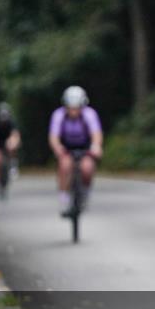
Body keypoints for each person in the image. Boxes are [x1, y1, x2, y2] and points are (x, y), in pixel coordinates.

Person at [48, 86, 103, 216]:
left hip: (85, 147)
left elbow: (96, 133)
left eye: (77, 107)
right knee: (65, 165)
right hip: (66, 148)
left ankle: (85, 193)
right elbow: (53, 136)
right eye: (70, 107)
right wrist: (57, 148)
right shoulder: (58, 115)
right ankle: (64, 198)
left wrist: (96, 146)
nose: (73, 111)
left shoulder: (89, 114)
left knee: (87, 168)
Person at [0, 102, 21, 197]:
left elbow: (16, 136)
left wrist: (13, 143)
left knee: (12, 145)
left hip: (8, 143)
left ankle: (13, 165)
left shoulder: (12, 122)